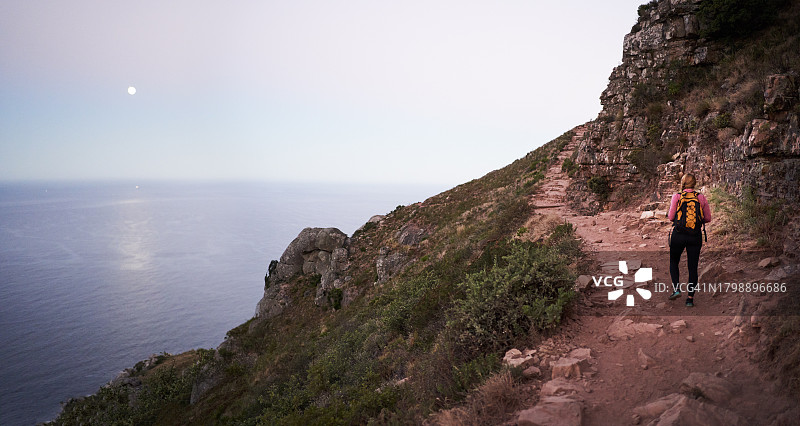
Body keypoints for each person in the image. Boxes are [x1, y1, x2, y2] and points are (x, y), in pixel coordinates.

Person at [667, 174, 712, 307]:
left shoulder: (677, 197)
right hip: (695, 235)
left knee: (674, 261)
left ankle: (676, 289)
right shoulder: (701, 197)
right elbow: (708, 218)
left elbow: (671, 217)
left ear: (683, 183)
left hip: (679, 235)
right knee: (693, 266)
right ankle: (690, 299)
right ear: (694, 183)